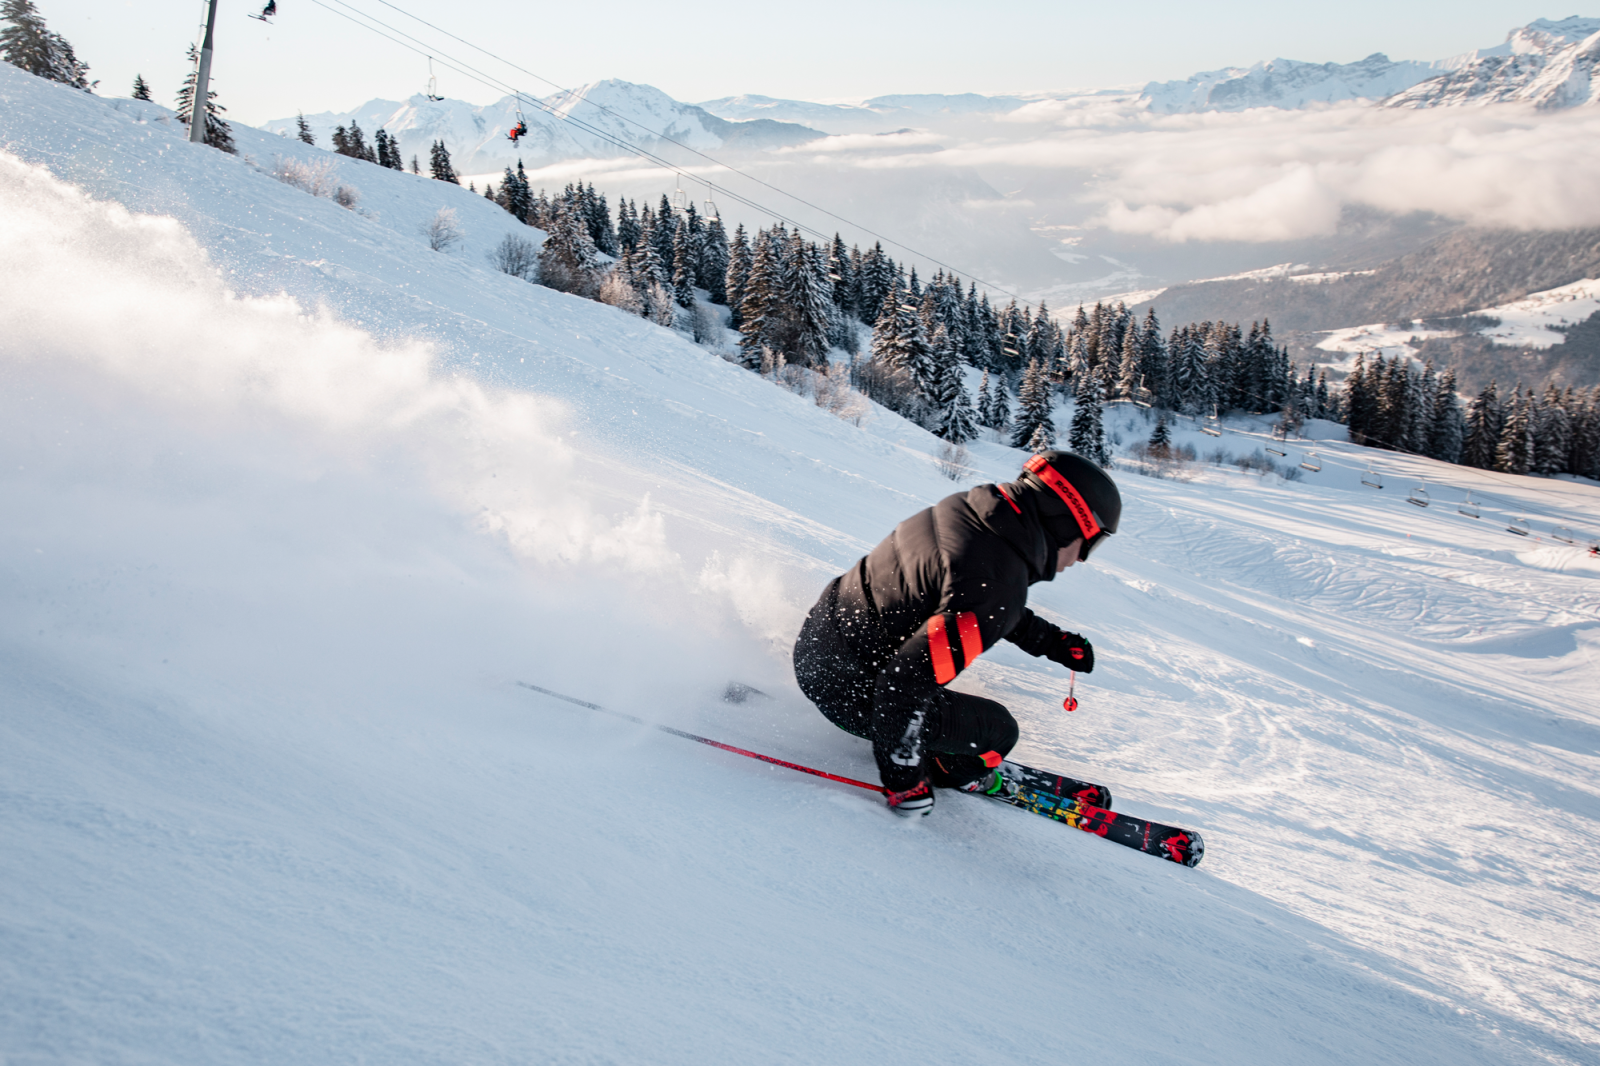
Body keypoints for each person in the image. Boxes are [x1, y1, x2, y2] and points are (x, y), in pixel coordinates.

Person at [793, 450, 1120, 817]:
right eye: (1091, 543)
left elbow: (970, 596)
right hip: (849, 695)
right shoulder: (996, 583)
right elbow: (903, 685)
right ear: (1066, 523)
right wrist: (904, 783)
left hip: (816, 652)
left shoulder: (966, 512)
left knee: (932, 674)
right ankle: (947, 767)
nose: (1081, 559)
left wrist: (1053, 642)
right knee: (999, 731)